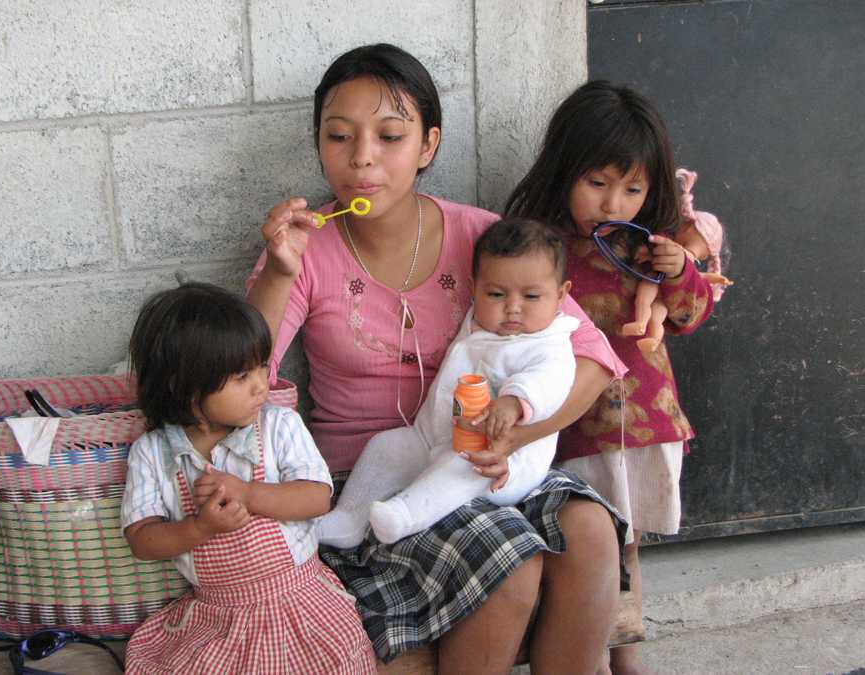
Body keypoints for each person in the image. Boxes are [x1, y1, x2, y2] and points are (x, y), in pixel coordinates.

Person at [246, 44, 629, 673]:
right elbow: (245, 373)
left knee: (589, 531)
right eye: (339, 136)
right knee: (510, 557)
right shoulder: (304, 248)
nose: (362, 157)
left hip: (493, 456)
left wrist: (517, 436)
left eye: (389, 136)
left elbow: (589, 357)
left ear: (428, 146)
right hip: (373, 479)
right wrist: (280, 273)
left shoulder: (481, 236)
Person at [505, 80, 716, 675]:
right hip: (570, 427)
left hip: (645, 426)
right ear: (563, 170)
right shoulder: (542, 248)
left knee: (627, 549)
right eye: (596, 183)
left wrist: (681, 274)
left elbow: (689, 317)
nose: (612, 203)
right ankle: (589, 655)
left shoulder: (651, 247)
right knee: (584, 551)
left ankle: (623, 654)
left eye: (632, 187)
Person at [120, 282, 375, 674]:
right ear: (184, 386)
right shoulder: (153, 453)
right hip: (218, 616)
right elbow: (142, 539)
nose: (261, 384)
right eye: (242, 375)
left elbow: (316, 498)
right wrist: (199, 528)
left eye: (261, 365)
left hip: (301, 604)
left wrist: (247, 493)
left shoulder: (278, 426)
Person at [318, 218, 578, 546]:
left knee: (463, 465)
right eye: (496, 293)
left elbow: (551, 381)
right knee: (386, 446)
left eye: (531, 296)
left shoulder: (549, 342)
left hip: (498, 461)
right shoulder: (479, 320)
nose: (512, 308)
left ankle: (404, 515)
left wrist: (514, 402)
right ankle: (349, 518)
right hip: (432, 436)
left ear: (561, 294)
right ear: (474, 289)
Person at [620, 168, 732, 353]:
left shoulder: (687, 264)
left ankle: (651, 338)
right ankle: (639, 322)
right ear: (684, 226)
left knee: (656, 316)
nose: (691, 254)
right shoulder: (658, 235)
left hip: (661, 295)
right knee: (644, 301)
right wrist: (647, 253)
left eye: (698, 255)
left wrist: (715, 279)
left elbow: (702, 279)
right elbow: (651, 249)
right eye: (690, 243)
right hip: (652, 281)